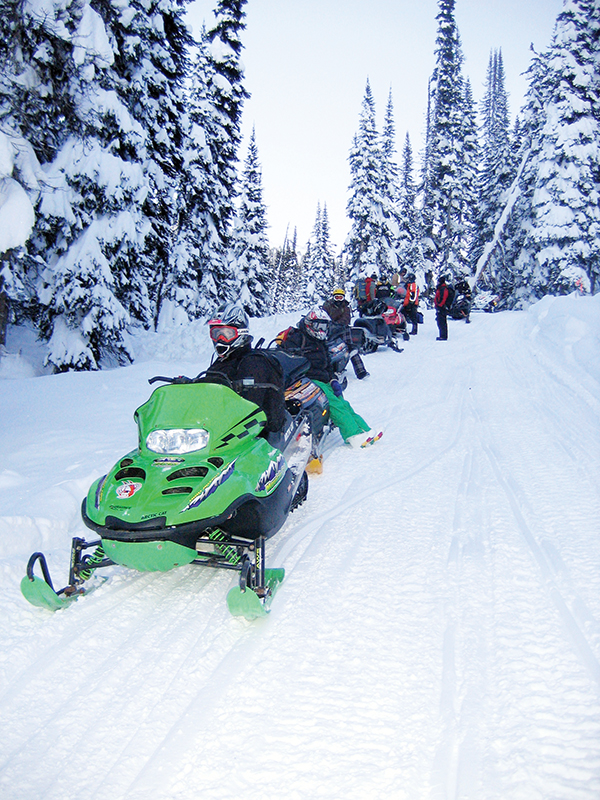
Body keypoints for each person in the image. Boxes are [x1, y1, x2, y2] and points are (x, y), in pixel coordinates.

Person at [278, 308, 382, 448]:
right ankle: (353, 435)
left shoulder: (319, 342)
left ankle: (365, 430)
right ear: (310, 324)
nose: (322, 330)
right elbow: (287, 361)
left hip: (323, 380)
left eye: (325, 326)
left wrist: (333, 380)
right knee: (335, 404)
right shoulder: (298, 339)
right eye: (319, 326)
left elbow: (327, 364)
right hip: (306, 380)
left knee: (343, 403)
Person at [197, 303, 286, 433]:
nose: (220, 339)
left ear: (241, 333)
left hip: (257, 434)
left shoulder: (254, 363)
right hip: (224, 429)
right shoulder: (223, 361)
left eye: (227, 333)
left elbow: (250, 407)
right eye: (216, 333)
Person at [322, 287, 369, 380]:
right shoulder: (327, 305)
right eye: (337, 297)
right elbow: (323, 314)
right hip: (328, 328)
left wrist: (338, 324)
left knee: (351, 348)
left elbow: (346, 319)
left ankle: (360, 370)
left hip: (342, 329)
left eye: (340, 297)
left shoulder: (346, 307)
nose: (338, 300)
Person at [434, 275, 449, 341]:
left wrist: (440, 305)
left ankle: (443, 336)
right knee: (440, 321)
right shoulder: (440, 288)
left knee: (442, 322)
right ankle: (442, 335)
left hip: (441, 308)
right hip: (440, 307)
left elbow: (443, 298)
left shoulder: (443, 289)